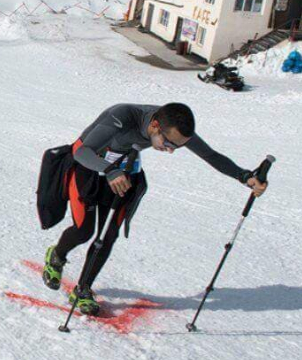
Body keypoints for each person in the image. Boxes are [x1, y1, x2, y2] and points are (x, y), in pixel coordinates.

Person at [40, 103, 268, 315]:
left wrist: (245, 176)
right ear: (154, 125)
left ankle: (83, 289)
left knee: (109, 235)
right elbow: (81, 152)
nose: (170, 150)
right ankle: (57, 255)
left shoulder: (174, 126)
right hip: (88, 168)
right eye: (168, 144)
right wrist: (108, 169)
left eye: (177, 147)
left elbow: (210, 155)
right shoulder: (122, 117)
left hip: (122, 172)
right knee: (84, 230)